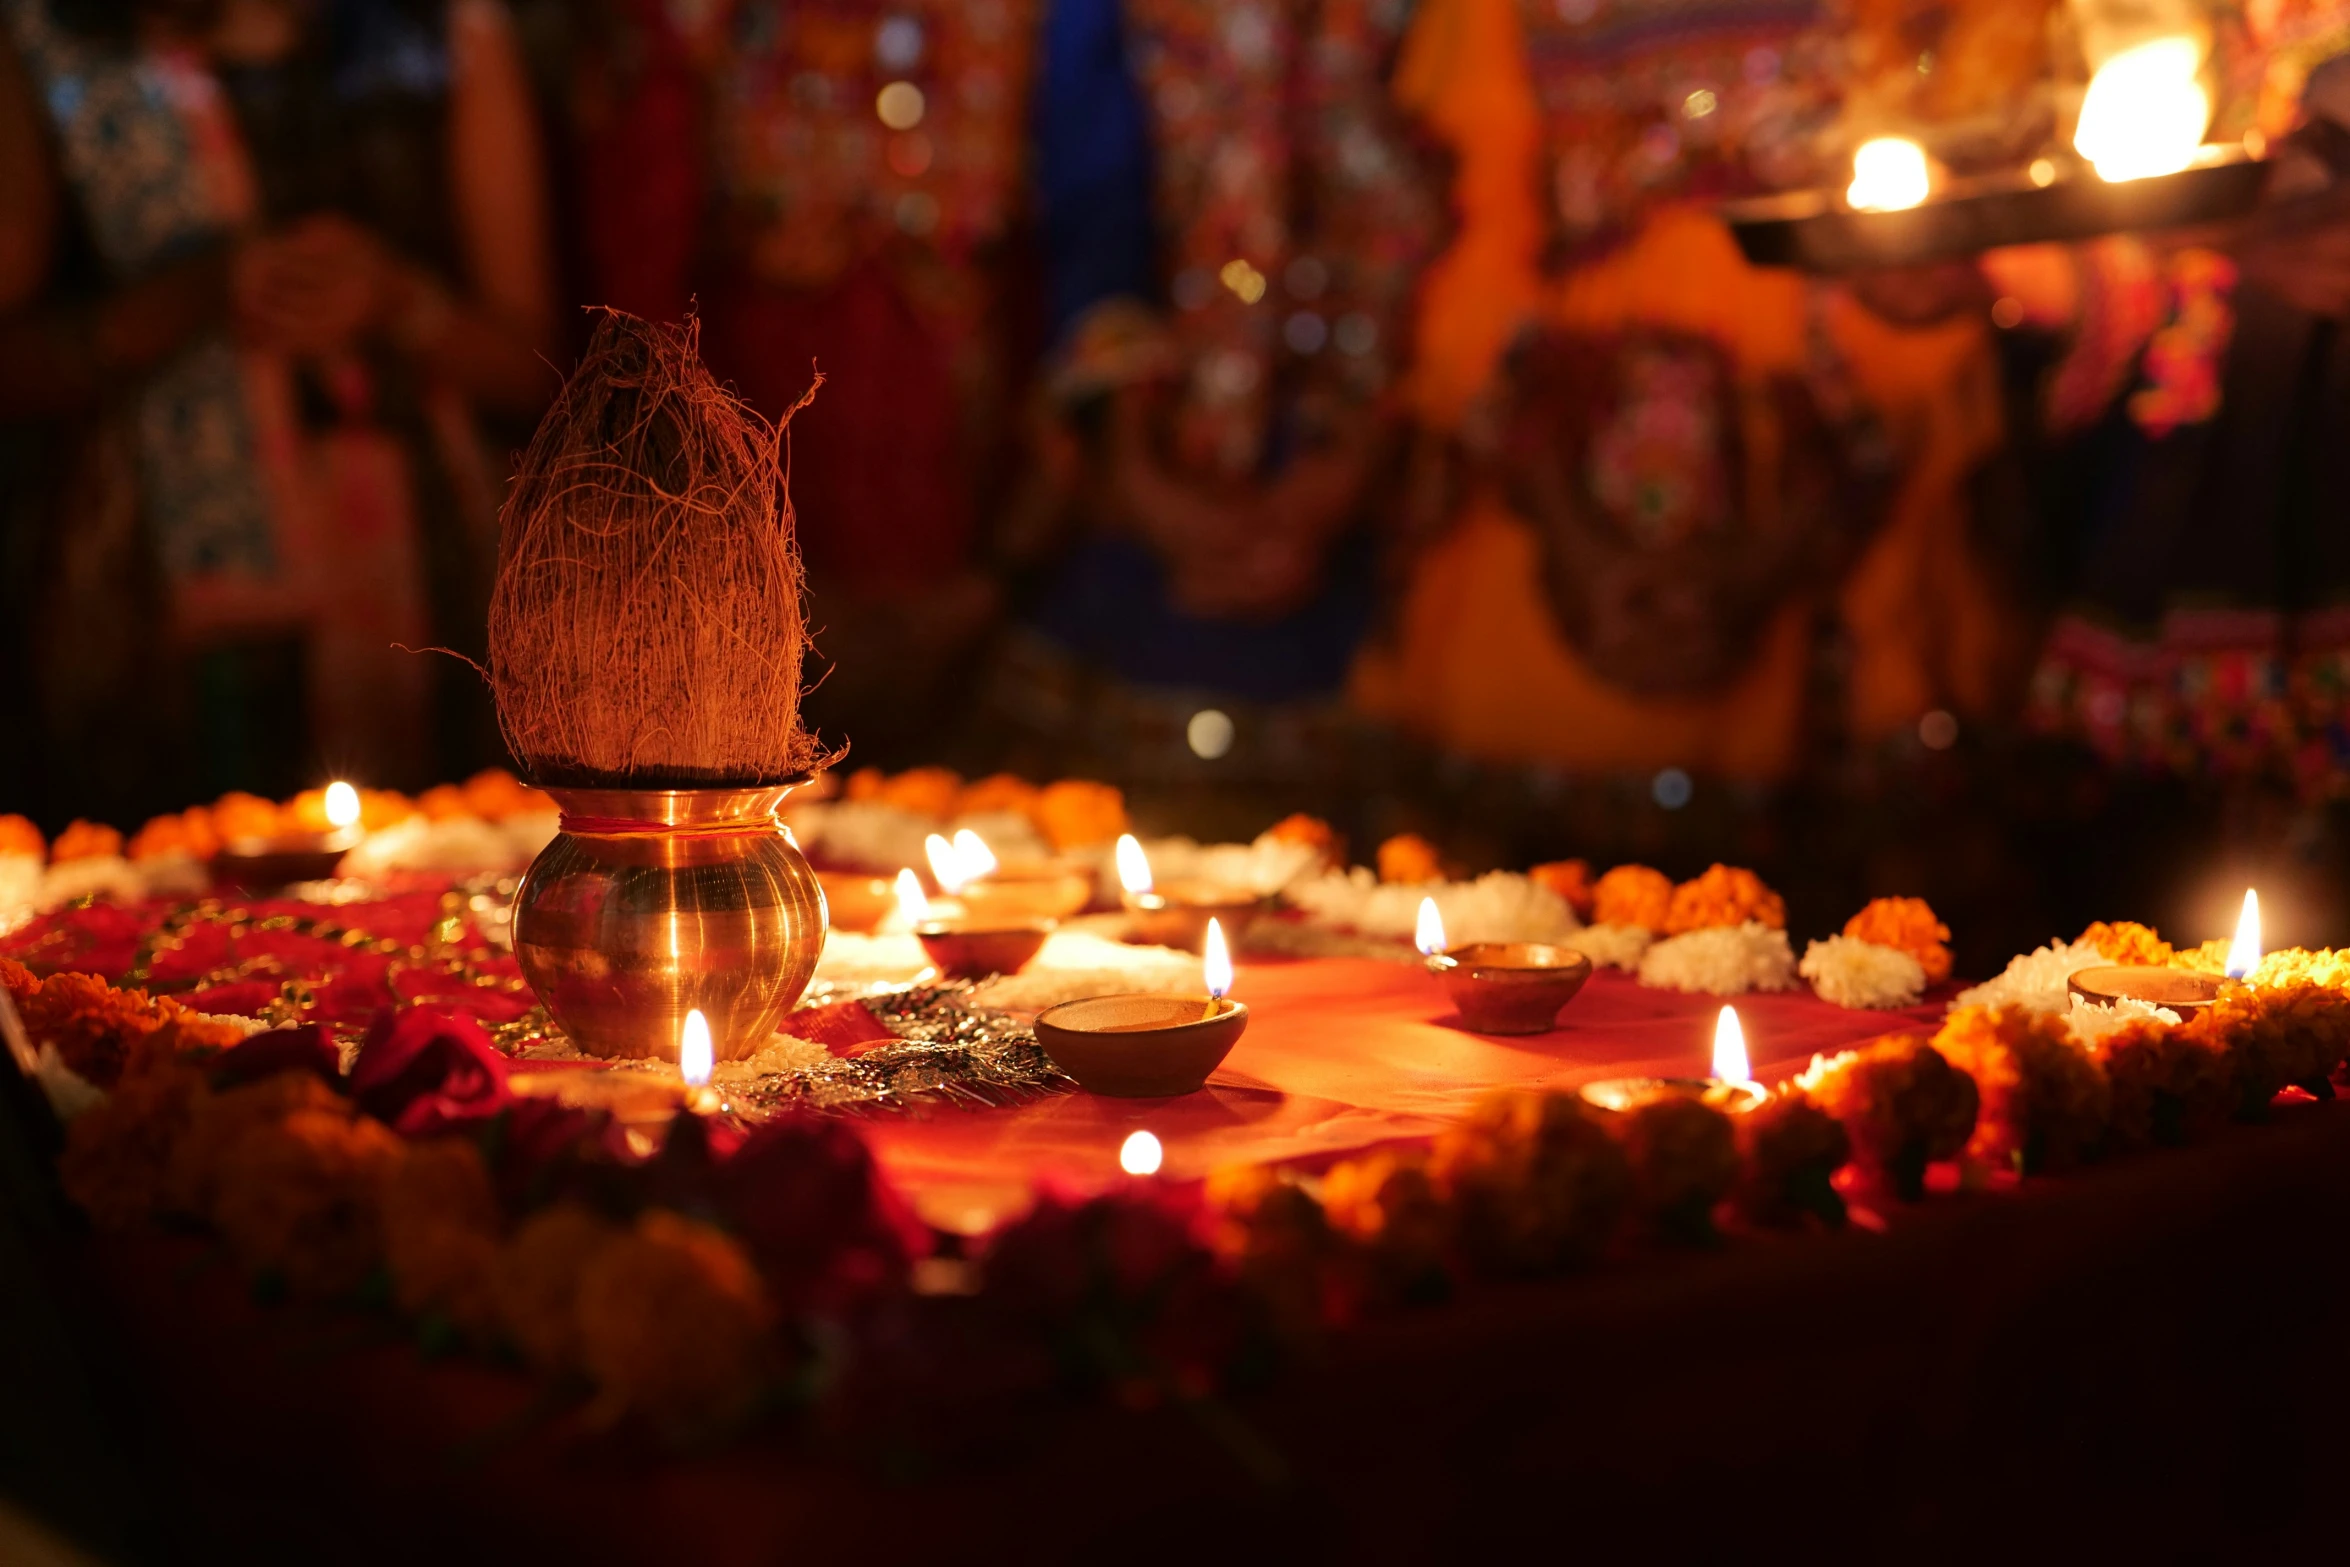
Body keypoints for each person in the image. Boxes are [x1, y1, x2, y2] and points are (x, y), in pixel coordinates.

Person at [0, 0, 558, 825]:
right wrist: (187, 298)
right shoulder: (61, 39)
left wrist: (396, 301)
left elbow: (542, 374)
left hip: (421, 594)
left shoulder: (446, 35)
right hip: (152, 619)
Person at [982, 0, 1447, 826]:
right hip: (1148, 489)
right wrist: (1133, 460)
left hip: (1386, 505)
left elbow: (1466, 184)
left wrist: (1361, 453)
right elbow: (1092, 206)